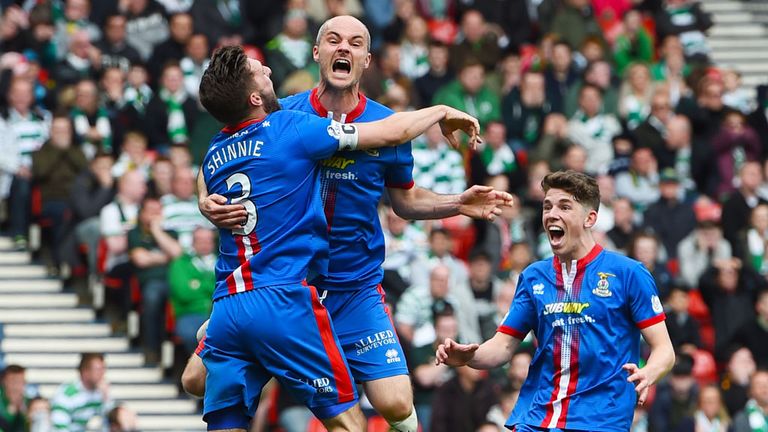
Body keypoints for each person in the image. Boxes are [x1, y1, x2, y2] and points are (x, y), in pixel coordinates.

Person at [195, 15, 513, 432]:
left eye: (355, 42)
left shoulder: (390, 125)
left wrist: (458, 202)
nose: (343, 47)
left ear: (366, 59)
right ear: (317, 53)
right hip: (289, 287)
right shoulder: (282, 114)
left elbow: (405, 201)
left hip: (353, 286)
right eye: (333, 39)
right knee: (194, 379)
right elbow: (223, 147)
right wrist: (205, 200)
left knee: (396, 404)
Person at [435, 170, 675, 431]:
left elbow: (665, 350)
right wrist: (469, 356)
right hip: (537, 417)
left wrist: (649, 372)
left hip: (601, 419)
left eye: (564, 206)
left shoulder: (628, 273)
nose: (552, 214)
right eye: (547, 206)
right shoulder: (533, 276)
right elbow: (502, 347)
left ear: (589, 218)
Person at [50, 353, 112, 431]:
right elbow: (60, 427)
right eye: (98, 369)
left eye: (103, 369)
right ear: (85, 372)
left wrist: (106, 398)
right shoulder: (67, 394)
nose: (102, 373)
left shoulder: (101, 392)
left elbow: (108, 423)